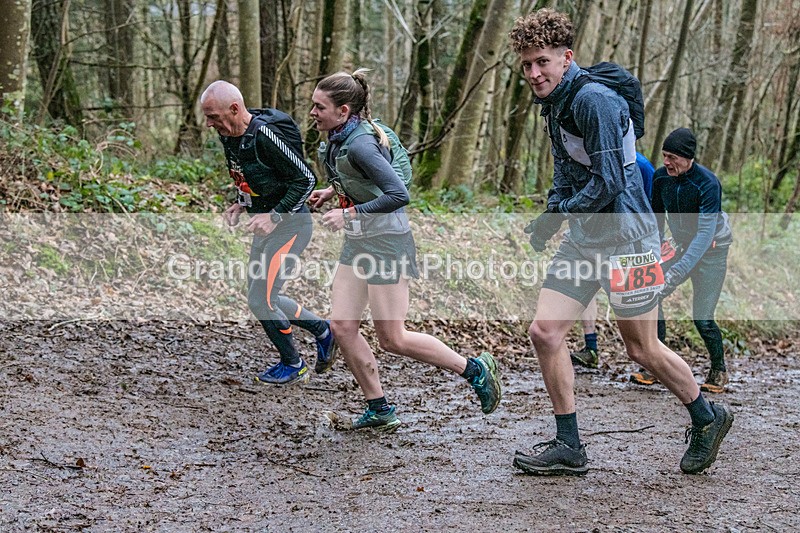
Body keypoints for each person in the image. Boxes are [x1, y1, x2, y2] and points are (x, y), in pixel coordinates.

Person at [508, 9, 733, 476]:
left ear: (566, 58)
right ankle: (569, 445)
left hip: (630, 239)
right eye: (527, 64)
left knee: (641, 348)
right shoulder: (555, 105)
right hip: (587, 239)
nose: (533, 73)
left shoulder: (595, 102)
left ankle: (707, 417)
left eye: (542, 62)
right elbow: (567, 171)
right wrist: (550, 219)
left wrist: (564, 213)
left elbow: (609, 181)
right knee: (545, 332)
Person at [308, 68, 501, 431]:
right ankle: (379, 408)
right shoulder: (339, 138)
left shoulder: (363, 143)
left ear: (344, 111)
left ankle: (475, 369)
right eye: (313, 106)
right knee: (342, 326)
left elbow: (399, 194)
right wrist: (331, 191)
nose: (313, 113)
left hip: (386, 244)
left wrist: (348, 213)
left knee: (393, 338)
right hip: (359, 241)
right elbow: (362, 178)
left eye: (319, 107)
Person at [200, 80, 337, 385]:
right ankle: (324, 330)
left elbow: (305, 179)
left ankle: (294, 364)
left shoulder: (264, 135)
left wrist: (274, 216)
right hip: (268, 226)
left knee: (262, 299)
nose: (209, 124)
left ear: (234, 109)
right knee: (260, 295)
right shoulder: (230, 136)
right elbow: (248, 174)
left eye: (213, 116)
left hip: (290, 226)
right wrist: (240, 202)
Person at [629, 128, 733, 393]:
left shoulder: (708, 183)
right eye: (664, 156)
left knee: (702, 317)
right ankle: (655, 363)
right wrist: (654, 252)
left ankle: (718, 368)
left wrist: (675, 273)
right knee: (653, 291)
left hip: (711, 250)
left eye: (672, 157)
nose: (666, 162)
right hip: (681, 245)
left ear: (688, 158)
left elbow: (703, 235)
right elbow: (655, 218)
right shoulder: (661, 178)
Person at [570, 152, 656, 368]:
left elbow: (650, 205)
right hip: (592, 241)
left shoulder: (642, 165)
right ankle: (590, 347)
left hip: (631, 245)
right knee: (584, 289)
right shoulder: (586, 159)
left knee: (639, 326)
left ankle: (653, 359)